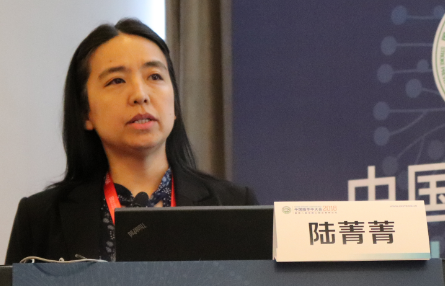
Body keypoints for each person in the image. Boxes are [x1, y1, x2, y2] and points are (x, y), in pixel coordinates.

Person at [5, 18, 258, 265]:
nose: (140, 94)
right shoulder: (40, 219)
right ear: (86, 113)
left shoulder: (236, 206)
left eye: (155, 76)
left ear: (174, 104)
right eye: (117, 80)